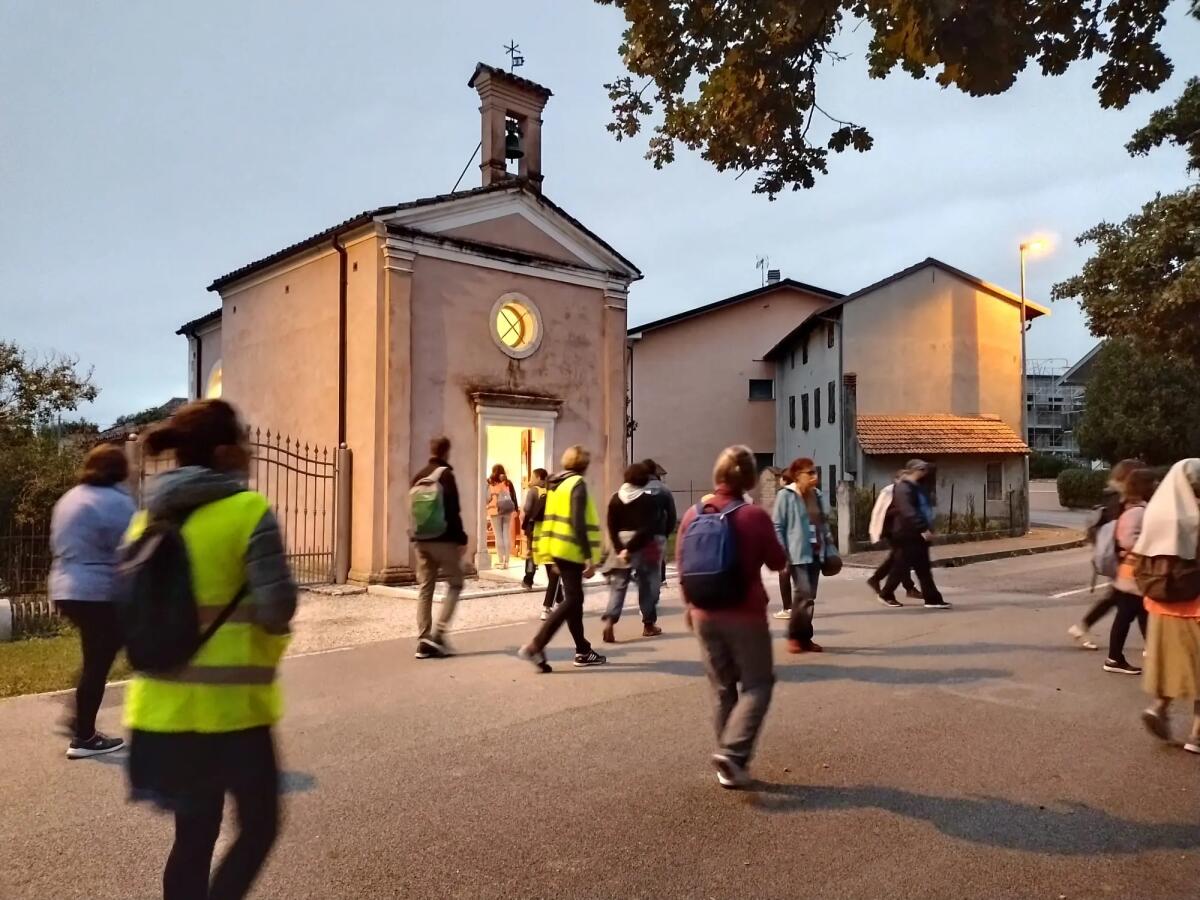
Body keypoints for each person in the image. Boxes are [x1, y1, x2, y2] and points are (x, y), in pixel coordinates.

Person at [123, 399, 297, 900]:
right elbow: (277, 608)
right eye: (242, 441)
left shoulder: (145, 522)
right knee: (260, 825)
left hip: (161, 713)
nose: (248, 450)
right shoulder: (247, 511)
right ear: (224, 452)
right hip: (233, 713)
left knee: (193, 838)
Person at [679, 446, 788, 789]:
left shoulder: (692, 515)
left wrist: (689, 607)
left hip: (703, 614)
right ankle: (733, 754)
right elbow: (777, 562)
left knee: (724, 687)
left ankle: (727, 761)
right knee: (758, 684)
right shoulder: (752, 516)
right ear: (750, 478)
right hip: (744, 614)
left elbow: (682, 567)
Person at [49, 443, 136, 759]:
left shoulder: (69, 499)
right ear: (120, 470)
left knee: (98, 656)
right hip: (98, 592)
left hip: (64, 587)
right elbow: (131, 548)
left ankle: (79, 722)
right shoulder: (118, 501)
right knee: (102, 658)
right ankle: (83, 734)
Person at [518, 446, 606, 672]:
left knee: (574, 600)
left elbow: (550, 519)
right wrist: (589, 557)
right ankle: (537, 644)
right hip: (572, 549)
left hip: (556, 547)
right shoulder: (577, 484)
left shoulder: (554, 484)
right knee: (573, 600)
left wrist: (549, 554)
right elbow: (577, 521)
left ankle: (583, 650)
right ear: (584, 465)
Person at [1136, 459, 1200, 754]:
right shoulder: (1195, 517)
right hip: (1194, 604)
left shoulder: (1156, 514)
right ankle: (1197, 735)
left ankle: (1159, 707)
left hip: (1160, 603)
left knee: (1170, 662)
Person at [1069, 458, 1145, 649]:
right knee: (1133, 600)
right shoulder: (1119, 497)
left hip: (1117, 555)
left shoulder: (1114, 494)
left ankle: (1082, 627)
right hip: (1121, 556)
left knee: (1120, 599)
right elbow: (1121, 528)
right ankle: (1131, 650)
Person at [412, 436, 468, 659]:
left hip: (421, 540)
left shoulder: (419, 476)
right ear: (446, 452)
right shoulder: (445, 475)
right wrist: (461, 539)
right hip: (443, 539)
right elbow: (453, 510)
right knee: (456, 583)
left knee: (426, 587)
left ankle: (423, 638)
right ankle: (439, 635)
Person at [773, 457, 836, 652]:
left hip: (816, 552)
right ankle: (795, 636)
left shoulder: (816, 495)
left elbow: (823, 523)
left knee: (809, 598)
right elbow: (777, 526)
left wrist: (830, 546)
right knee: (804, 595)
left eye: (815, 472)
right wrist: (782, 553)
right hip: (796, 553)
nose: (814, 476)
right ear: (797, 475)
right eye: (810, 473)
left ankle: (804, 638)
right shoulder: (786, 496)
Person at [602, 462, 663, 642]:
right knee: (646, 585)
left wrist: (621, 549)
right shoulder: (647, 499)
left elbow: (611, 527)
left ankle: (610, 621)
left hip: (619, 543)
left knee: (619, 585)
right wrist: (632, 548)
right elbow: (648, 528)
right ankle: (649, 624)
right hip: (641, 545)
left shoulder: (615, 498)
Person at [1102, 467, 1155, 675]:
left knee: (1140, 613)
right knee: (1129, 615)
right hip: (1133, 575)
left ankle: (1146, 653)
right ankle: (1114, 658)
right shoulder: (1138, 511)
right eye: (1153, 483)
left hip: (1131, 575)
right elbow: (1127, 540)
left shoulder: (1133, 508)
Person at [879, 459, 951, 609]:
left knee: (923, 568)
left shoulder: (916, 487)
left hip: (916, 534)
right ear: (916, 470)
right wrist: (923, 528)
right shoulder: (903, 488)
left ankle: (932, 599)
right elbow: (908, 511)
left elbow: (923, 509)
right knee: (901, 566)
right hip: (907, 534)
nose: (926, 473)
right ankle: (886, 593)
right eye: (923, 470)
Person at [865, 475, 920, 607]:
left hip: (901, 531)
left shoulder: (905, 491)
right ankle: (894, 589)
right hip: (892, 531)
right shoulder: (889, 491)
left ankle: (878, 580)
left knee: (897, 559)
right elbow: (881, 512)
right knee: (901, 559)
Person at [642, 459, 676, 586]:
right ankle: (661, 579)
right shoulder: (664, 490)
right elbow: (672, 514)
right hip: (660, 531)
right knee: (659, 556)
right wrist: (667, 531)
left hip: (642, 532)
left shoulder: (638, 489)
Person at [486, 463, 519, 569]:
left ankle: (501, 561)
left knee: (498, 536)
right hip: (507, 510)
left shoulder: (490, 482)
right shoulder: (508, 482)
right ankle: (507, 561)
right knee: (506, 535)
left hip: (494, 510)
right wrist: (516, 509)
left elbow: (487, 498)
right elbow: (514, 497)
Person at [521, 468, 549, 593]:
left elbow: (527, 508)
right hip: (547, 527)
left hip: (533, 526)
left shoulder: (533, 491)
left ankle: (528, 580)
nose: (531, 479)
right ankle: (554, 585)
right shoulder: (549, 489)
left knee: (531, 552)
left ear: (538, 477)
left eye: (532, 476)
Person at [772, 471, 795, 620]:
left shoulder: (783, 495)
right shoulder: (805, 493)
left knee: (784, 573)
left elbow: (778, 523)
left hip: (787, 540)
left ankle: (788, 608)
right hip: (801, 541)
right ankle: (802, 607)